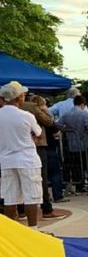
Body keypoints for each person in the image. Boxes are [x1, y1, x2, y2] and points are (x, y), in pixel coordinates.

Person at [0, 81, 43, 227]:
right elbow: (38, 133)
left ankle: (10, 233)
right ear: (18, 98)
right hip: (27, 159)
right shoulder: (26, 115)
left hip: (6, 160)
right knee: (32, 196)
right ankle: (33, 229)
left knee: (10, 197)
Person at [57, 95, 88, 192]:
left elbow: (58, 124)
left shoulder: (66, 114)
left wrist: (66, 130)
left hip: (72, 143)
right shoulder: (84, 114)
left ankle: (78, 186)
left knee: (76, 165)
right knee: (87, 164)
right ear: (82, 104)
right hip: (84, 143)